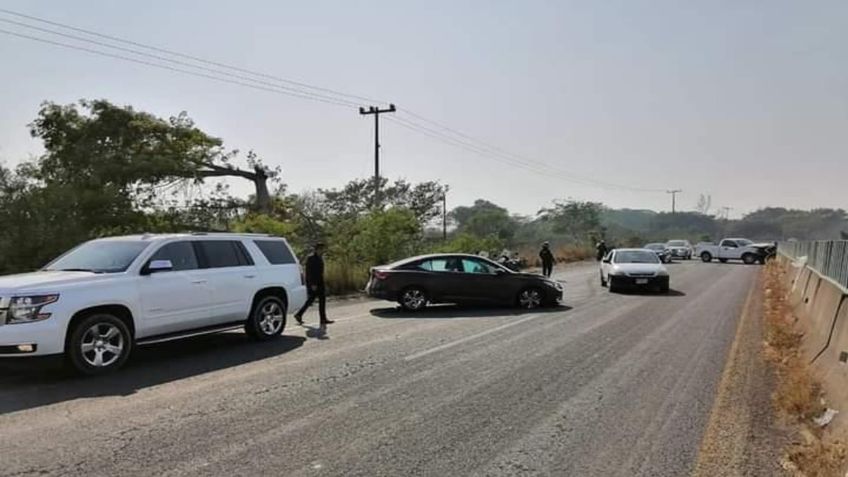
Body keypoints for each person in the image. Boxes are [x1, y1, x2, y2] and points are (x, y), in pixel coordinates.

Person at [294, 242, 334, 328]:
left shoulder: (320, 258)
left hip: (320, 282)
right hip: (313, 283)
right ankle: (299, 314)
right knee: (311, 300)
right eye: (321, 249)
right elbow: (309, 272)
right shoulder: (311, 258)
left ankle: (323, 319)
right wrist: (312, 284)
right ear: (316, 249)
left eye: (323, 249)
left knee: (322, 300)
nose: (322, 251)